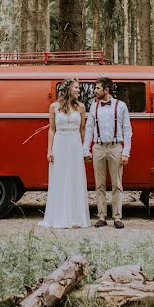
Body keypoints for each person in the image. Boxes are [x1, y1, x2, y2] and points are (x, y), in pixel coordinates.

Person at [39, 78, 90, 228]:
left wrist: (83, 148)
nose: (78, 91)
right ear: (68, 89)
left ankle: (75, 217)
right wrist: (49, 150)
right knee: (59, 177)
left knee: (75, 177)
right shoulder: (54, 107)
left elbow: (82, 130)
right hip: (60, 143)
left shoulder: (81, 107)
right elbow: (52, 129)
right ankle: (59, 217)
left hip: (74, 143)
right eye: (76, 88)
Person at [83, 77, 132, 228]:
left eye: (98, 88)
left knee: (117, 184)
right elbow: (89, 129)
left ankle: (117, 217)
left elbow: (127, 129)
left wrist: (126, 152)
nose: (95, 91)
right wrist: (85, 149)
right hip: (98, 147)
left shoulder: (121, 105)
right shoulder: (93, 107)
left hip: (115, 147)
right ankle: (102, 216)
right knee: (99, 184)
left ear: (106, 90)